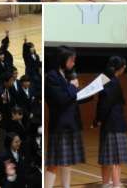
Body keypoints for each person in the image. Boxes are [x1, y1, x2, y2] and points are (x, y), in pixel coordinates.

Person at [45, 46, 85, 188]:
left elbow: (72, 97)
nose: (74, 63)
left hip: (71, 123)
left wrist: (90, 92)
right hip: (60, 125)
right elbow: (61, 99)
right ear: (62, 59)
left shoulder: (66, 75)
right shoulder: (52, 76)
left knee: (67, 161)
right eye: (71, 60)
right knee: (54, 163)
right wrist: (73, 87)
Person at [95, 56, 127, 188]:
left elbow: (101, 103)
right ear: (121, 68)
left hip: (108, 123)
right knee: (116, 158)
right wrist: (98, 119)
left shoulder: (104, 79)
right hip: (115, 124)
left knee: (107, 157)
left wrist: (98, 119)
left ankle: (105, 183)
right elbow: (105, 104)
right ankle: (116, 184)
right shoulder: (112, 81)